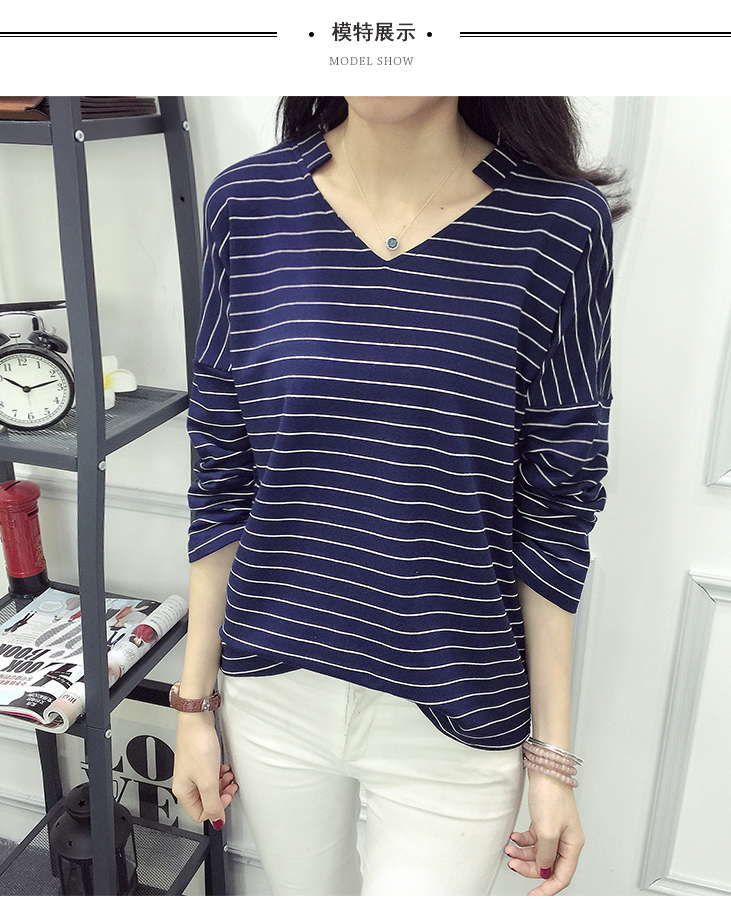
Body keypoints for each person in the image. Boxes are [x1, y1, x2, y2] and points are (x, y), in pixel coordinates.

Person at [171, 96, 625, 896]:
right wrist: (192, 706)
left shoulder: (559, 226)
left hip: (457, 707)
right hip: (275, 691)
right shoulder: (246, 204)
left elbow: (556, 513)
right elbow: (222, 478)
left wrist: (552, 761)